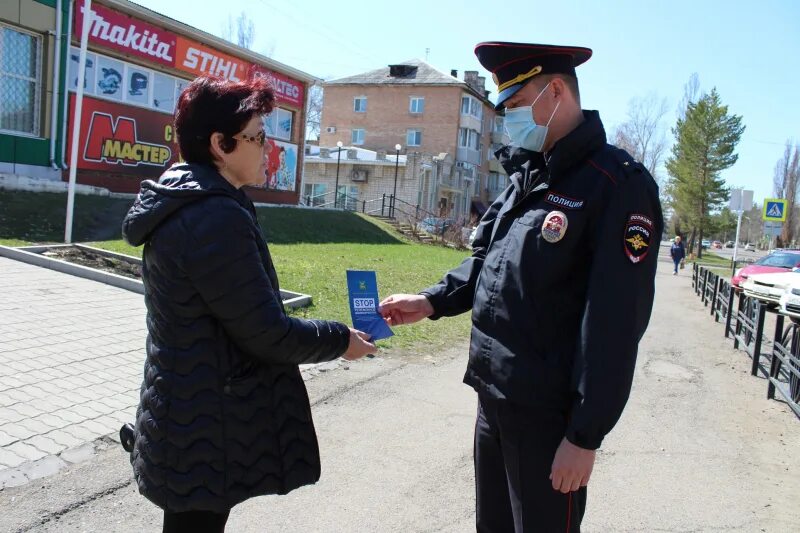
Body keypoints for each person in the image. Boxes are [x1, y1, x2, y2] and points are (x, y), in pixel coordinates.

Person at [380, 42, 663, 532]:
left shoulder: (617, 185)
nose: (508, 120)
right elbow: (488, 263)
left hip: (550, 422)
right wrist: (429, 301)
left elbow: (614, 323)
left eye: (513, 107)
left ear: (555, 92)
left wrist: (585, 436)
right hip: (493, 401)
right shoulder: (527, 175)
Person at [120, 75, 376, 533]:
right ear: (220, 144)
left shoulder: (191, 199)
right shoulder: (212, 216)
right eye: (257, 137)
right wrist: (341, 340)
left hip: (185, 409)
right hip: (201, 425)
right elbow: (268, 334)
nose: (268, 149)